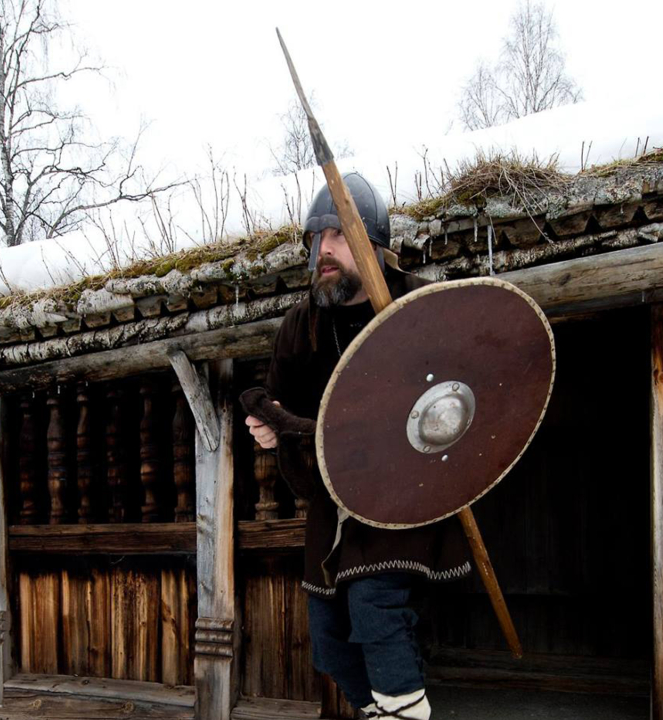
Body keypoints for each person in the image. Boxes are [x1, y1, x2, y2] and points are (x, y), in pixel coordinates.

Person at [243, 173, 472, 720]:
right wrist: (269, 425)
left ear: (373, 242)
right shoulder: (302, 326)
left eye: (339, 235)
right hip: (336, 501)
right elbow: (274, 397)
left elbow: (459, 399)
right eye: (317, 239)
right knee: (328, 641)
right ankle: (386, 714)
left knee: (374, 607)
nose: (323, 250)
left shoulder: (415, 306)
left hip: (405, 493)